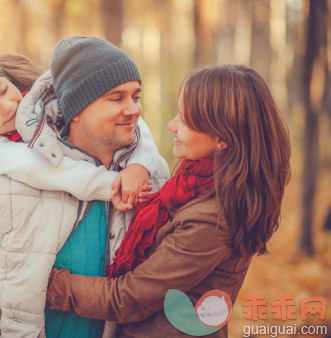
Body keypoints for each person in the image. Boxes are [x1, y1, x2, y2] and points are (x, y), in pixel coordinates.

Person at [0, 36, 170, 337]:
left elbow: (133, 117)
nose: (7, 106)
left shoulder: (46, 103)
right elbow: (45, 171)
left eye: (3, 90)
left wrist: (140, 164)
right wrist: (4, 295)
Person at [46, 64, 291, 337]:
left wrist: (47, 282)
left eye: (184, 120)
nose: (171, 125)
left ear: (221, 138)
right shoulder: (193, 187)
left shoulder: (212, 220)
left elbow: (128, 298)